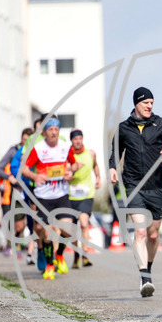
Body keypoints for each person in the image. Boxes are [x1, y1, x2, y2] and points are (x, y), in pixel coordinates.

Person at [110, 87, 162, 296]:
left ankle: (148, 266)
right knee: (140, 230)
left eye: (152, 103)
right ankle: (145, 278)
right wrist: (113, 167)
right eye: (146, 102)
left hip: (156, 186)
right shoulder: (124, 128)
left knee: (153, 234)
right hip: (133, 185)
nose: (150, 106)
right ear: (136, 104)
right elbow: (114, 151)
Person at [21, 117, 80, 279]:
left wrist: (71, 172)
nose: (54, 132)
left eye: (56, 130)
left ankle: (59, 254)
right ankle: (49, 264)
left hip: (61, 194)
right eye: (50, 130)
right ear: (45, 132)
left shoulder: (65, 147)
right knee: (44, 232)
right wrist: (35, 176)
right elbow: (24, 169)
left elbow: (74, 164)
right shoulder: (38, 149)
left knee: (68, 230)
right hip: (43, 197)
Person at [0, 127, 34, 261]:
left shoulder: (37, 150)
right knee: (16, 223)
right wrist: (9, 177)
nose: (25, 143)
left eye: (28, 141)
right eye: (24, 140)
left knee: (27, 223)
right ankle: (12, 245)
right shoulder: (14, 151)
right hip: (16, 191)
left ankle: (19, 245)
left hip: (33, 190)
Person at [68, 129, 101, 269]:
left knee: (83, 223)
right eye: (75, 139)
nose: (78, 141)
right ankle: (76, 255)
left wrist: (98, 177)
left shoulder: (91, 153)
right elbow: (65, 173)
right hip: (70, 195)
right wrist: (73, 169)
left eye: (80, 138)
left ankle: (85, 254)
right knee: (73, 228)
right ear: (71, 141)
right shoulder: (67, 156)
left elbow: (95, 166)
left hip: (86, 194)